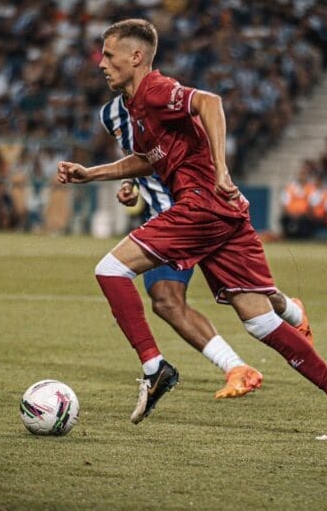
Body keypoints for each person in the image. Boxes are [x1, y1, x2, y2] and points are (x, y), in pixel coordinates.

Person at [58, 19, 327, 440]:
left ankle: (154, 367)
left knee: (111, 270)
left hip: (200, 205)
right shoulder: (134, 106)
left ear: (136, 57)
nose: (101, 63)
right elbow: (148, 159)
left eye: (109, 55)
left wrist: (221, 168)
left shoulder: (155, 90)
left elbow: (210, 102)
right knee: (260, 321)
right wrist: (90, 173)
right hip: (224, 213)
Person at [100, 93, 313, 399]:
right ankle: (236, 367)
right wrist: (129, 185)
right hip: (166, 222)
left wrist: (219, 172)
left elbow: (196, 139)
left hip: (204, 213)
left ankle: (292, 311)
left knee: (249, 297)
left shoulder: (165, 100)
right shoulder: (115, 117)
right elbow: (140, 158)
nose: (104, 70)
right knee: (165, 300)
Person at [281, 166, 327, 239]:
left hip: (305, 215)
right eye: (301, 174)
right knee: (284, 219)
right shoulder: (290, 187)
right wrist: (292, 213)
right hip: (291, 214)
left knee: (306, 221)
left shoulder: (311, 189)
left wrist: (304, 213)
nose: (302, 177)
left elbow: (312, 205)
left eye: (304, 175)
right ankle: (289, 236)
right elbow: (284, 204)